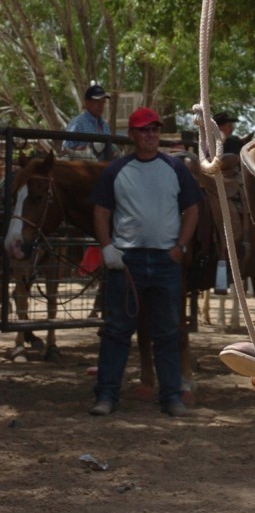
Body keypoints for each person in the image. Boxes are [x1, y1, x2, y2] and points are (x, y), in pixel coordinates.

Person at [89, 106, 202, 417]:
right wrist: (107, 247)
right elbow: (101, 210)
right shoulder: (116, 170)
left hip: (165, 260)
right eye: (144, 129)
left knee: (167, 331)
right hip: (128, 261)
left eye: (154, 129)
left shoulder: (175, 169)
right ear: (132, 135)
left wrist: (181, 245)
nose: (151, 134)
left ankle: (171, 397)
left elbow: (192, 207)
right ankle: (107, 395)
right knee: (116, 331)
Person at [64, 83, 115, 159]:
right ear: (87, 102)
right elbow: (66, 151)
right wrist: (86, 150)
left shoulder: (105, 126)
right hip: (83, 169)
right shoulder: (77, 123)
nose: (100, 105)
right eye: (97, 101)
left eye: (103, 102)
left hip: (104, 168)